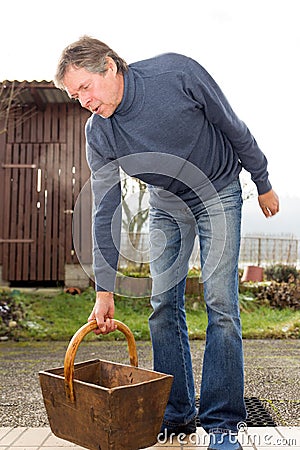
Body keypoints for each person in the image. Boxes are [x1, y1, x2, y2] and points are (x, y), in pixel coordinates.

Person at [54, 36, 279, 450]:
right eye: (74, 95)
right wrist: (103, 289)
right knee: (162, 306)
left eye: (85, 87)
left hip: (218, 190)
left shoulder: (177, 74)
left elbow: (232, 125)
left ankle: (223, 423)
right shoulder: (99, 132)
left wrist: (262, 181)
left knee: (220, 302)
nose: (83, 100)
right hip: (166, 204)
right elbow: (105, 210)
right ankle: (176, 414)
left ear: (109, 66)